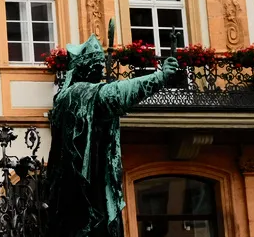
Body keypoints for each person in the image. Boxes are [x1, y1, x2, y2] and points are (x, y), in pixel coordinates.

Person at [46, 34, 179, 237]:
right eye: (97, 65)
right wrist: (159, 77)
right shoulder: (80, 93)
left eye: (101, 64)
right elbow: (117, 93)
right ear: (84, 68)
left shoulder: (65, 97)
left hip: (71, 190)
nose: (101, 69)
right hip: (87, 189)